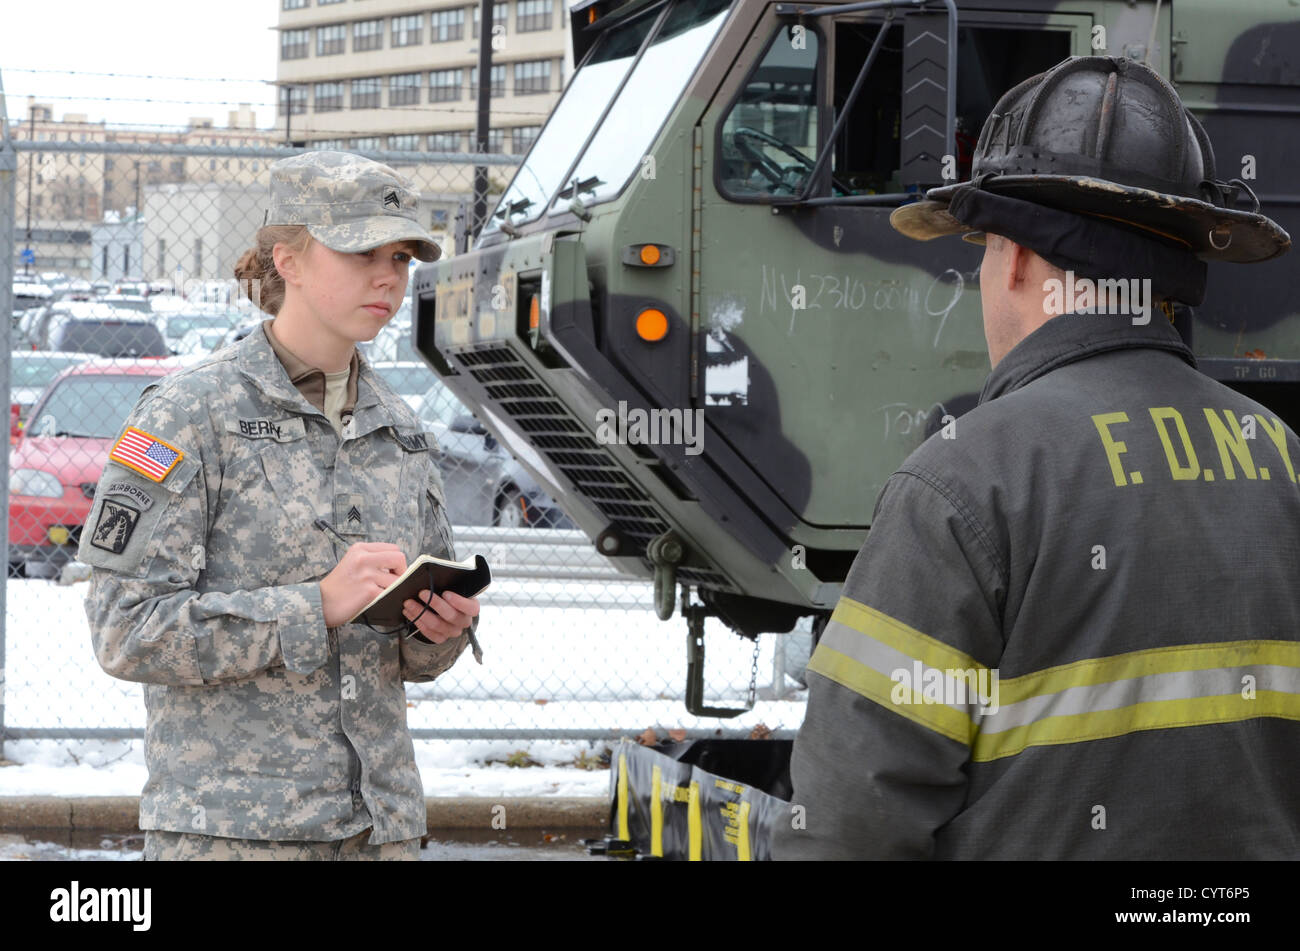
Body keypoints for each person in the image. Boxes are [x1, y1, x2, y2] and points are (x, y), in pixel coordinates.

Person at [774, 56, 1299, 859]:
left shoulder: (962, 481)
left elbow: (849, 823)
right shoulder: (1283, 459)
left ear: (1015, 258)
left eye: (982, 250)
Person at [79, 150, 480, 861]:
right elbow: (125, 628)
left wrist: (437, 630)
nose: (387, 275)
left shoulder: (400, 426)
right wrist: (312, 605)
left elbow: (411, 658)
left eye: (400, 255)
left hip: (378, 832)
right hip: (236, 836)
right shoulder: (186, 413)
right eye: (361, 251)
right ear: (286, 259)